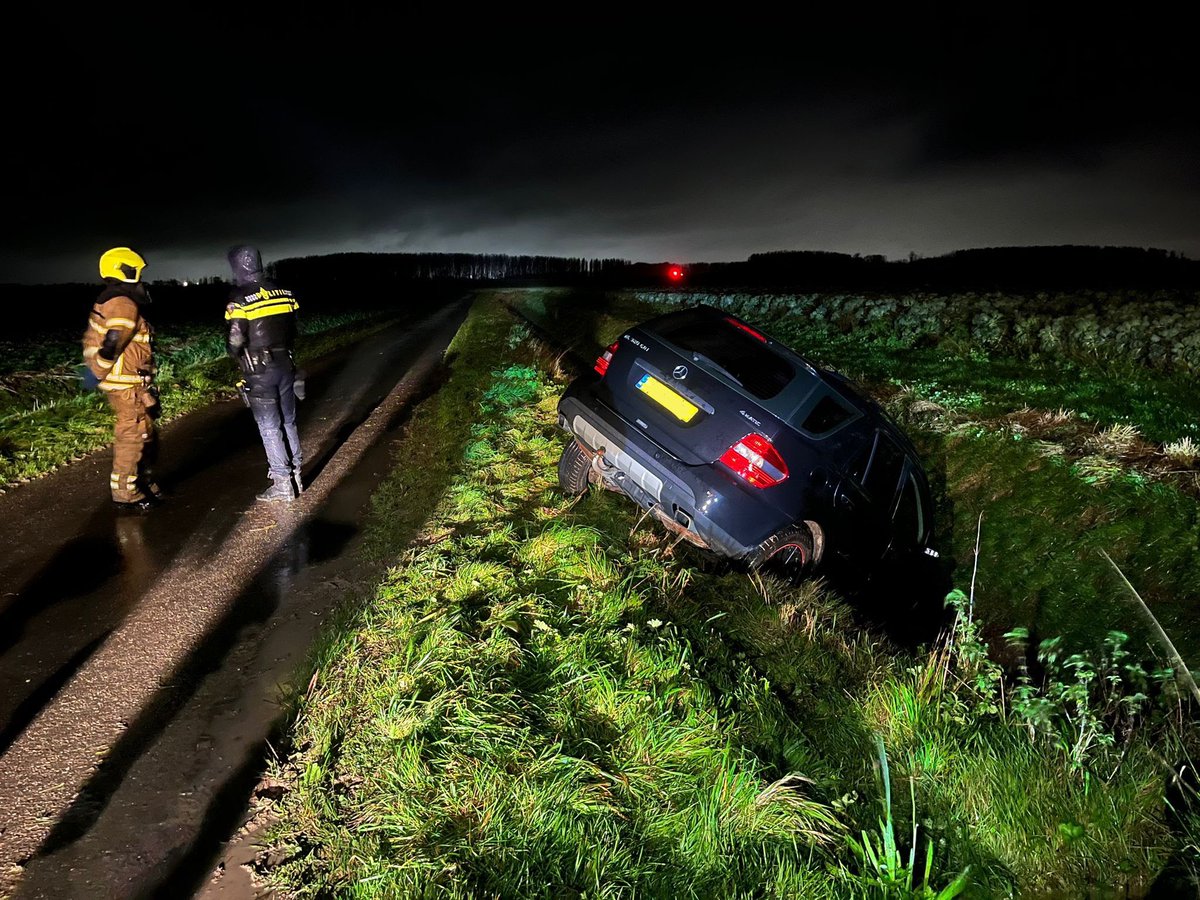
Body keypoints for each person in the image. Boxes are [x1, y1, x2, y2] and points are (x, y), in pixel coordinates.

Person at [81, 247, 162, 511]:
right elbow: (114, 339)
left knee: (145, 434)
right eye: (136, 271)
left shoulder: (115, 299)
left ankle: (140, 483)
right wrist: (101, 370)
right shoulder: (122, 302)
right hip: (126, 385)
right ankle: (126, 494)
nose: (140, 277)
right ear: (125, 270)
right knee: (133, 436)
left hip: (130, 383)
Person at [224, 245, 303, 502]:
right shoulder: (285, 292)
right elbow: (294, 328)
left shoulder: (238, 298)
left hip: (258, 369)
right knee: (288, 420)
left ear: (237, 266)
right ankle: (297, 475)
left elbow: (236, 340)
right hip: (285, 362)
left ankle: (283, 484)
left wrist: (234, 353)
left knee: (270, 427)